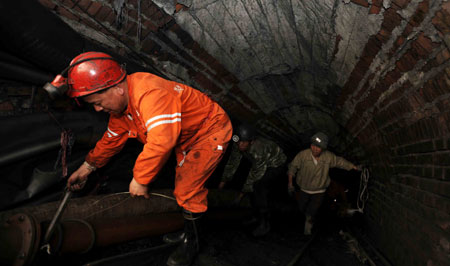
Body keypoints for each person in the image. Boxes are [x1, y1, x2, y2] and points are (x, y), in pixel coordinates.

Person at [47, 51, 233, 266]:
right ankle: (188, 232)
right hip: (185, 136)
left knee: (187, 190)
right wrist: (87, 167)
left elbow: (162, 141)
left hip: (209, 132)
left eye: (97, 102)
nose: (97, 109)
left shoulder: (151, 94)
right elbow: (111, 140)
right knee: (183, 187)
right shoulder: (122, 109)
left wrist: (141, 179)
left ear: (117, 89)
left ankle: (193, 244)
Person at [218, 124, 287, 236]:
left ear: (251, 141)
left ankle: (265, 223)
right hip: (260, 163)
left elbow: (255, 174)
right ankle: (255, 215)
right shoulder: (239, 143)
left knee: (259, 187)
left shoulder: (259, 149)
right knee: (251, 186)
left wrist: (240, 196)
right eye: (238, 142)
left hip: (276, 165)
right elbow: (233, 162)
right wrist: (223, 181)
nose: (240, 145)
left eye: (243, 142)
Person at [287, 132, 359, 235]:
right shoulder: (303, 155)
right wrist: (290, 184)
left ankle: (308, 227)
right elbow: (292, 167)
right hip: (304, 188)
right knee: (301, 207)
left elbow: (339, 162)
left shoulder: (328, 157)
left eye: (318, 147)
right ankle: (308, 217)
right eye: (313, 145)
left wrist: (353, 166)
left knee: (312, 210)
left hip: (319, 191)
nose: (315, 149)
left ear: (323, 149)